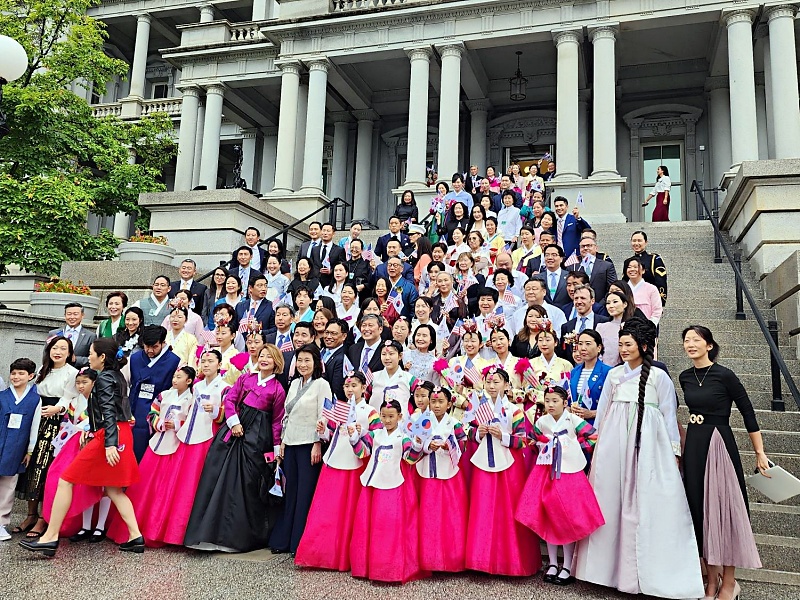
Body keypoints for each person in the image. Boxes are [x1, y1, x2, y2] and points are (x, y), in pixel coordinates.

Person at [575, 318, 704, 599]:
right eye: (620, 344)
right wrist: (595, 444)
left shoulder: (659, 377)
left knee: (648, 501)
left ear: (643, 346)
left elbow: (670, 416)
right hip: (613, 443)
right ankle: (605, 571)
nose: (622, 349)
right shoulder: (613, 375)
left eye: (628, 344)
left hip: (649, 444)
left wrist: (674, 451)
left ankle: (650, 572)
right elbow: (603, 411)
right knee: (610, 499)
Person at [20, 338, 143, 556]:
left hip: (108, 435)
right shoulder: (117, 376)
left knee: (66, 479)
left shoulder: (104, 378)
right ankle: (135, 536)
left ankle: (50, 538)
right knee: (113, 489)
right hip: (120, 433)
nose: (89, 357)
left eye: (92, 353)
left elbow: (108, 413)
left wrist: (109, 444)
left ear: (102, 357)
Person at [680, 326, 766, 600]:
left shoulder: (725, 375)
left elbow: (748, 412)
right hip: (694, 443)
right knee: (700, 510)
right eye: (686, 340)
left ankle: (729, 583)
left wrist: (760, 452)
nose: (690, 344)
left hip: (719, 443)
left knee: (724, 510)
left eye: (696, 340)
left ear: (709, 345)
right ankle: (710, 581)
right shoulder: (684, 377)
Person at [185, 345, 285, 553]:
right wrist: (234, 422)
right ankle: (209, 533)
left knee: (247, 484)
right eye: (262, 355)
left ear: (277, 362)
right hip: (234, 432)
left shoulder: (277, 389)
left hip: (258, 439)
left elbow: (276, 421)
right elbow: (230, 400)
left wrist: (276, 451)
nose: (264, 359)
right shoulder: (245, 378)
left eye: (269, 357)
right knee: (217, 477)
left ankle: (238, 537)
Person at [515, 385, 604, 585]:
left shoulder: (573, 420)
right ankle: (553, 563)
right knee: (548, 516)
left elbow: (594, 436)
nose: (551, 404)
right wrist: (541, 445)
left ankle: (567, 566)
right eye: (547, 401)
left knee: (567, 517)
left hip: (569, 474)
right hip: (546, 473)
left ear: (565, 403)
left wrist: (573, 447)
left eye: (555, 401)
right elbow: (532, 440)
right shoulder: (541, 422)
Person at [295, 371, 381, 571]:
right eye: (347, 386)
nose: (350, 389)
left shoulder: (370, 412)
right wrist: (322, 429)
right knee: (326, 510)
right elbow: (330, 432)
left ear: (363, 388)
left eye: (354, 385)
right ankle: (321, 554)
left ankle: (345, 557)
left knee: (349, 511)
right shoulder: (338, 408)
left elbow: (377, 434)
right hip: (333, 461)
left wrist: (360, 435)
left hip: (355, 464)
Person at [107, 365, 198, 547]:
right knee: (145, 484)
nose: (174, 379)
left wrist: (178, 424)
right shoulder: (164, 395)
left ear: (189, 381)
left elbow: (193, 419)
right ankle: (136, 527)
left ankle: (161, 531)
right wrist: (159, 423)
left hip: (178, 445)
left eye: (179, 377)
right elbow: (152, 412)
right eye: (174, 376)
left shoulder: (192, 399)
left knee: (169, 487)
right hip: (158, 440)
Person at [465, 366, 539, 576]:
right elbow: (467, 432)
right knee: (482, 506)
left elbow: (524, 439)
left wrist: (503, 436)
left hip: (508, 464)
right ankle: (480, 561)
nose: (492, 385)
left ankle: (510, 561)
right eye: (489, 381)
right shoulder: (480, 407)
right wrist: (477, 433)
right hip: (483, 463)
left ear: (507, 385)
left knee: (507, 507)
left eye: (497, 381)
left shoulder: (515, 410)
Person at [349, 398, 428, 583]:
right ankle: (367, 567)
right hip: (373, 485)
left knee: (390, 526)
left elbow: (410, 458)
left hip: (395, 485)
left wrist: (416, 446)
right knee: (369, 524)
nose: (386, 420)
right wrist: (354, 439)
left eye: (391, 416)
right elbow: (362, 452)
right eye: (383, 416)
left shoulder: (404, 437)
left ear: (400, 417)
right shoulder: (375, 435)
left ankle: (389, 568)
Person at [269, 343, 330, 554]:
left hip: (308, 445)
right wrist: (283, 441)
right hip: (291, 442)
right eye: (300, 360)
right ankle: (284, 539)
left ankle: (299, 542)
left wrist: (317, 443)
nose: (303, 364)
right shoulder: (294, 383)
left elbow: (324, 415)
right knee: (291, 491)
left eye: (308, 360)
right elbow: (287, 415)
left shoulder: (322, 384)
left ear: (316, 363)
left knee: (305, 493)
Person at [15, 336, 78, 538]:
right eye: (54, 347)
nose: (57, 351)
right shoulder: (43, 370)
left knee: (45, 468)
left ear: (69, 353)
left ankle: (44, 518)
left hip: (56, 424)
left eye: (62, 348)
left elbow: (70, 397)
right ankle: (30, 514)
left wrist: (57, 409)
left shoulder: (72, 373)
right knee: (30, 466)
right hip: (36, 420)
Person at [412, 387, 468, 572]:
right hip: (425, 472)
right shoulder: (422, 421)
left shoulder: (454, 423)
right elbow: (414, 442)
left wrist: (447, 446)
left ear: (449, 404)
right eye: (433, 401)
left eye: (441, 401)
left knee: (450, 515)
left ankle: (451, 559)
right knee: (426, 515)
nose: (436, 405)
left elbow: (463, 444)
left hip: (449, 474)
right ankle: (427, 559)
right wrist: (427, 445)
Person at [0, 358, 40, 542]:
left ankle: (1, 523)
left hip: (16, 447)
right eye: (14, 373)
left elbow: (34, 426)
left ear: (30, 376)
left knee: (8, 485)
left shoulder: (34, 400)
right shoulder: (2, 396)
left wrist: (30, 450)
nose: (16, 376)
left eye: (21, 373)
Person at [128, 325, 181, 461]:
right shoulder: (135, 358)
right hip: (134, 407)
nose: (150, 350)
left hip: (157, 411)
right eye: (147, 346)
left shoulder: (174, 361)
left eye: (155, 347)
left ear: (163, 343)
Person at [568, 330, 612, 425]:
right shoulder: (574, 372)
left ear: (599, 348)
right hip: (575, 426)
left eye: (588, 344)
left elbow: (613, 406)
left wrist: (591, 414)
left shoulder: (608, 372)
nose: (583, 348)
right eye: (580, 344)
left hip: (597, 425)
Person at [369, 340, 416, 416]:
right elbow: (366, 397)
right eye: (384, 354)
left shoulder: (409, 378)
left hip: (401, 424)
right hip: (376, 423)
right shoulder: (373, 377)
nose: (387, 358)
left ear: (400, 356)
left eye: (391, 354)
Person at [596, 290, 636, 367]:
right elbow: (598, 352)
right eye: (608, 303)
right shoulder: (601, 327)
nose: (611, 306)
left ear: (625, 304)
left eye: (615, 302)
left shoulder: (633, 326)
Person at [49, 302, 96, 368]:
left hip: (78, 373)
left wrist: (76, 359)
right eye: (69, 314)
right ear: (65, 315)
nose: (72, 317)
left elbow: (94, 358)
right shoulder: (54, 333)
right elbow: (46, 354)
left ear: (82, 315)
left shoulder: (90, 336)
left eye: (75, 314)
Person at [630, 230, 668, 306]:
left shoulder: (654, 259)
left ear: (646, 242)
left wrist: (660, 301)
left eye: (639, 241)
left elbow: (661, 281)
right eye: (634, 241)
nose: (636, 243)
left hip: (649, 302)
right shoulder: (629, 261)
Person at [623, 257, 663, 326]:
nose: (632, 269)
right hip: (625, 328)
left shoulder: (652, 289)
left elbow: (657, 310)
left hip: (646, 328)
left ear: (643, 270)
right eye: (629, 267)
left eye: (636, 267)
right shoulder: (622, 288)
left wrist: (650, 326)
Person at [311, 223, 346, 288]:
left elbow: (343, 266)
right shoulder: (314, 249)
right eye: (323, 230)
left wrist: (332, 271)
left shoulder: (339, 250)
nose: (325, 233)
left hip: (331, 283)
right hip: (315, 283)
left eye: (328, 231)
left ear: (333, 233)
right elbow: (312, 264)